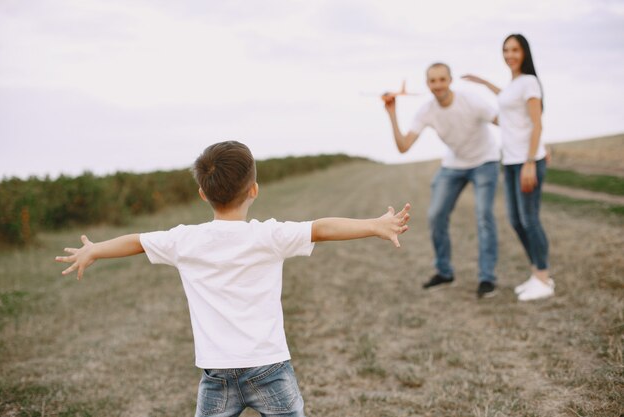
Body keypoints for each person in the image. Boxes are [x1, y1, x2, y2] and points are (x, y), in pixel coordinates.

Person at [55, 140, 411, 417]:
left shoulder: (184, 240)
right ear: (254, 189)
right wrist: (374, 226)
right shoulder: (268, 236)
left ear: (202, 194)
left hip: (217, 375)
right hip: (270, 368)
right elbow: (322, 228)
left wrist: (95, 249)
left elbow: (136, 242)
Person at [382, 63, 500, 298]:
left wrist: (536, 147)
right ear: (428, 84)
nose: (438, 85)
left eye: (442, 80)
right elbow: (404, 147)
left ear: (450, 80)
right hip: (454, 164)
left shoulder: (471, 100)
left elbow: (506, 122)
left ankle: (487, 278)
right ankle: (444, 272)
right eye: (433, 81)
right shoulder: (427, 110)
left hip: (485, 161)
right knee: (435, 215)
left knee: (483, 216)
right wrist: (392, 113)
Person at [463, 34, 554, 301]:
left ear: (524, 52)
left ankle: (544, 278)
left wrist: (530, 161)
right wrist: (483, 82)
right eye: (505, 50)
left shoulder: (529, 83)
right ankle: (536, 272)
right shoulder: (515, 84)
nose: (509, 54)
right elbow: (507, 99)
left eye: (515, 50)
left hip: (527, 161)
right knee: (516, 221)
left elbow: (537, 124)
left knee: (530, 220)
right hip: (512, 161)